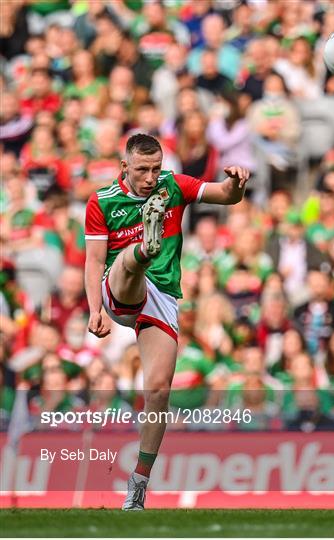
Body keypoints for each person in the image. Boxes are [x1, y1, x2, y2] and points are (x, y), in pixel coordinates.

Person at [84, 133, 250, 510]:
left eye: (156, 168)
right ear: (124, 166)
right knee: (128, 261)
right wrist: (95, 310)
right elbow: (94, 261)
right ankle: (145, 248)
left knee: (158, 390)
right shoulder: (102, 201)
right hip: (119, 287)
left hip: (162, 297)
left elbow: (225, 195)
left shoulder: (173, 185)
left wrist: (237, 183)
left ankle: (138, 486)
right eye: (142, 169)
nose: (150, 176)